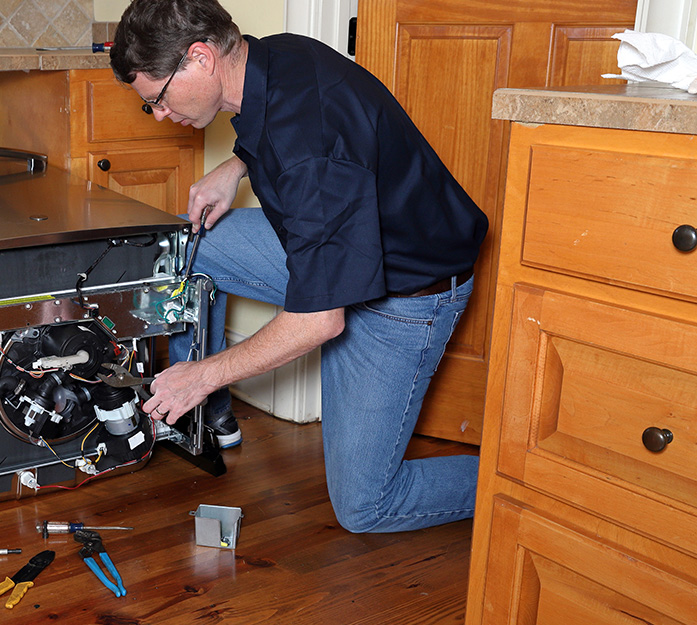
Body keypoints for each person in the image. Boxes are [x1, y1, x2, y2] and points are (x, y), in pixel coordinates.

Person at [109, 0, 488, 533]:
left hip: (404, 296)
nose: (160, 115)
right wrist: (234, 167)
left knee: (365, 507)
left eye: (158, 99)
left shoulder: (311, 152)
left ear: (200, 57)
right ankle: (205, 413)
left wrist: (203, 374)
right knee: (179, 242)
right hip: (335, 245)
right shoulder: (273, 57)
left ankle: (520, 481)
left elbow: (319, 320)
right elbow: (278, 123)